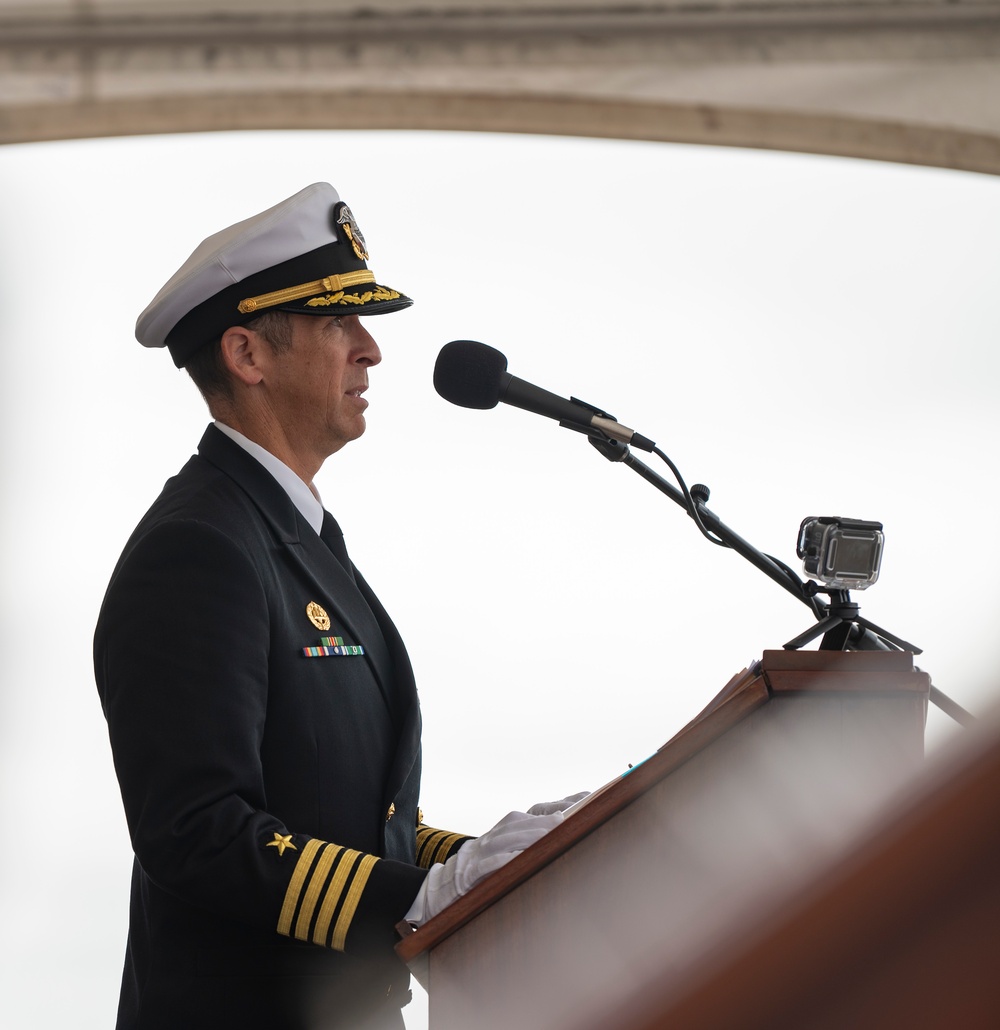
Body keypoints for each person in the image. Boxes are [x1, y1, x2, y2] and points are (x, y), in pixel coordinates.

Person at [94, 182, 577, 1030]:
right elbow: (197, 831)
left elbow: (347, 810)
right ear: (247, 356)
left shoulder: (292, 534)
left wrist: (491, 863)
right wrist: (424, 893)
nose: (371, 351)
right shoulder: (198, 548)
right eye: (338, 325)